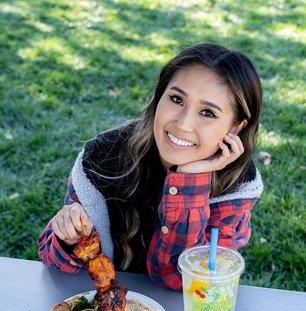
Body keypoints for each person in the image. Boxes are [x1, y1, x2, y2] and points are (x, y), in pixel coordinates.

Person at [38, 43, 263, 291]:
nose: (184, 124)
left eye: (208, 113)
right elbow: (55, 261)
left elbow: (186, 281)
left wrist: (190, 180)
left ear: (236, 127)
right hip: (104, 308)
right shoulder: (103, 158)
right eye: (177, 99)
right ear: (159, 96)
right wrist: (67, 237)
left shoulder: (238, 185)